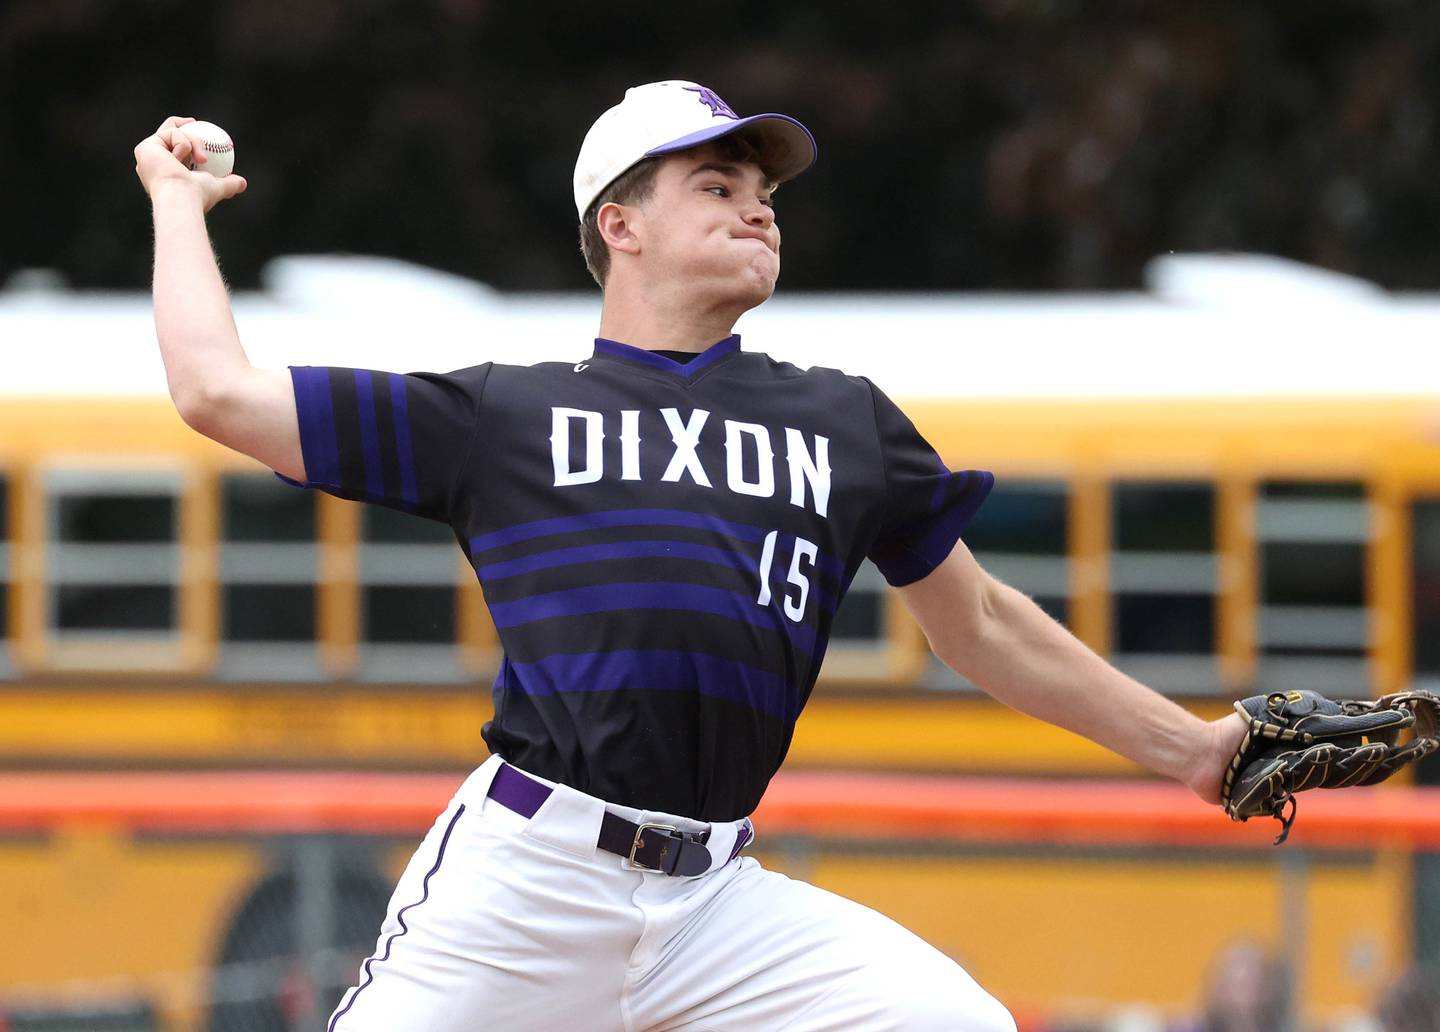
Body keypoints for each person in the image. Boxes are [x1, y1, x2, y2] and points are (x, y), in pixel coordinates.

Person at [134, 80, 1248, 1032]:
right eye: (717, 186)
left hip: (715, 900)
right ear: (620, 226)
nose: (757, 211)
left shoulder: (843, 423)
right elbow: (216, 393)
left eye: (763, 194)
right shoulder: (506, 416)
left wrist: (1192, 752)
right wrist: (178, 205)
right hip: (528, 883)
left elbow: (984, 626)